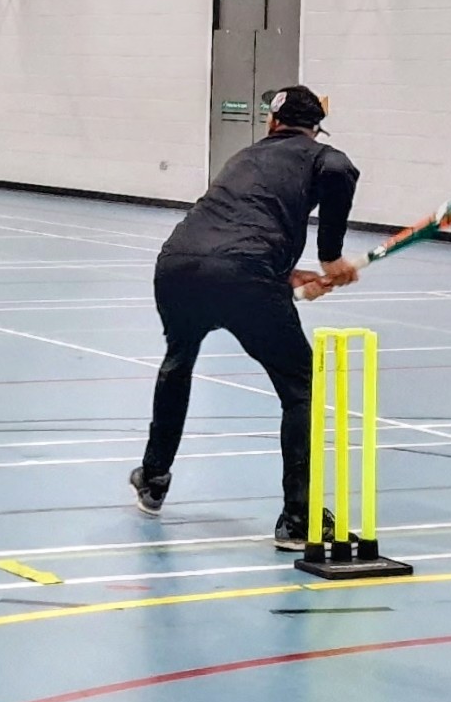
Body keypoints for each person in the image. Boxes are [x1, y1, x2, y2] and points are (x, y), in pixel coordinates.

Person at [129, 83, 360, 545]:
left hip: (177, 265)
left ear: (273, 123)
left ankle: (153, 477)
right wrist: (332, 257)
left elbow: (234, 227)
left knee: (179, 360)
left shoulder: (246, 159)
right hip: (245, 271)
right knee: (300, 386)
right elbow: (342, 168)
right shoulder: (317, 155)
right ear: (315, 129)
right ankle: (299, 517)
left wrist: (285, 274)